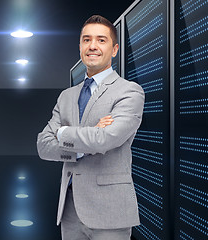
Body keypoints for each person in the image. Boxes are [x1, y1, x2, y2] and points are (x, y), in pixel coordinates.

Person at [36, 15, 144, 240]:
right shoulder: (66, 96)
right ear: (80, 47)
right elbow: (43, 146)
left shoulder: (129, 91)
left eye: (101, 40)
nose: (92, 46)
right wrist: (88, 138)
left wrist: (63, 133)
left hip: (110, 212)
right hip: (70, 210)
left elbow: (106, 139)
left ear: (114, 50)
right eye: (86, 40)